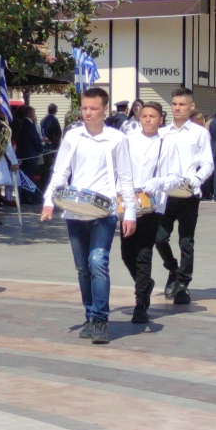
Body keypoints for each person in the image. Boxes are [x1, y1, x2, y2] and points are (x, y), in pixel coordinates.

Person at [42, 87, 138, 345]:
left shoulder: (116, 139)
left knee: (98, 261)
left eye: (93, 109)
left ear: (104, 110)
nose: (88, 113)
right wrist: (49, 202)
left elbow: (126, 177)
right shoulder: (73, 136)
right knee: (83, 268)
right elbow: (61, 172)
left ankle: (101, 319)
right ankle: (89, 315)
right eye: (84, 108)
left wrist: (129, 212)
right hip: (75, 211)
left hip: (104, 212)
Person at [155, 87, 213, 305]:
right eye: (174, 104)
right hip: (166, 194)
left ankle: (182, 284)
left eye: (182, 104)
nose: (177, 108)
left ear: (191, 106)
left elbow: (208, 163)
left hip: (189, 194)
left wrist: (197, 179)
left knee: (186, 241)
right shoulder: (162, 133)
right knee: (159, 238)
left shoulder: (200, 133)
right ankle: (173, 268)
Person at [120, 101, 169, 326]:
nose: (148, 119)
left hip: (152, 204)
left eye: (153, 116)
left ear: (160, 119)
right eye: (145, 116)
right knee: (126, 252)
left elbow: (172, 175)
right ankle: (145, 283)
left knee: (144, 252)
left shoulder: (165, 144)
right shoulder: (129, 140)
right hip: (128, 202)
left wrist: (158, 182)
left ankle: (141, 303)